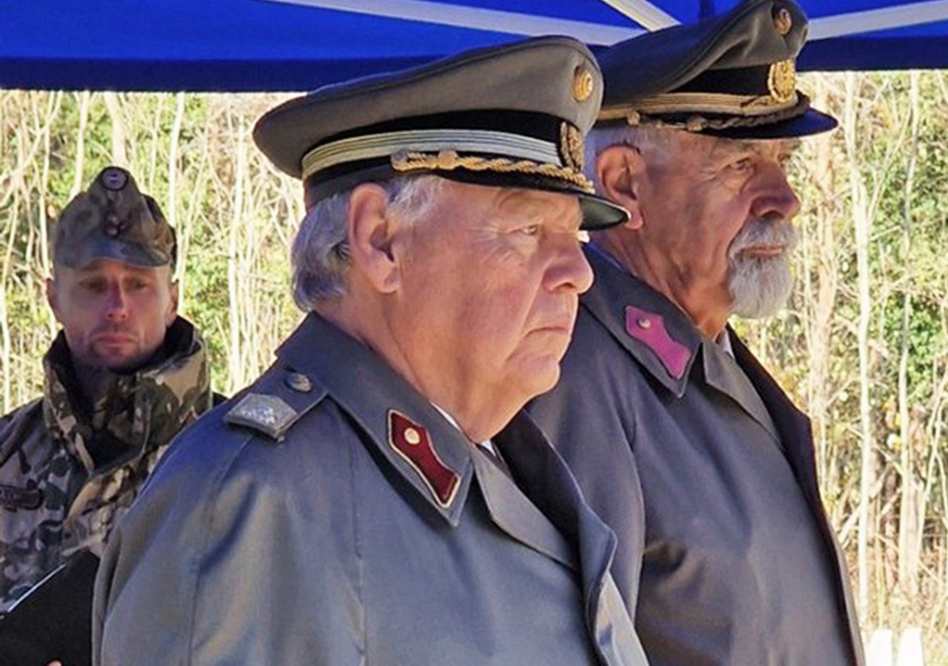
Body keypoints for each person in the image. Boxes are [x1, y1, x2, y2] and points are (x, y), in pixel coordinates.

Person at [93, 37, 649, 666]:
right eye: (527, 229)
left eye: (573, 234)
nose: (580, 272)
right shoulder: (249, 504)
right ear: (381, 240)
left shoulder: (508, 464)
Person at [525, 0, 865, 665]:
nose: (786, 200)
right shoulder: (574, 378)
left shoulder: (709, 356)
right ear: (623, 184)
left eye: (783, 164)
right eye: (740, 165)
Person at [0, 167, 216, 664]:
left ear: (172, 300)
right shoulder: (8, 455)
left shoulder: (237, 461)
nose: (117, 306)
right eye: (94, 284)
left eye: (138, 284)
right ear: (53, 298)